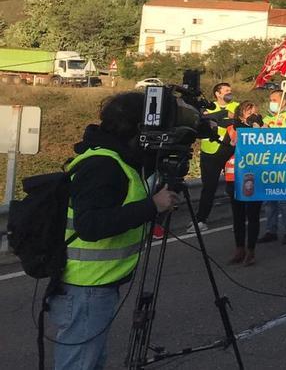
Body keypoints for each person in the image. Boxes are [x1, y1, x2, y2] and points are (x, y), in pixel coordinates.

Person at [50, 92, 178, 370]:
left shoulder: (115, 158)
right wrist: (152, 206)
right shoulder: (104, 164)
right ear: (138, 128)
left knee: (91, 361)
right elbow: (91, 225)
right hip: (85, 287)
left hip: (95, 285)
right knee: (80, 364)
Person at [223, 102, 264, 266]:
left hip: (254, 176)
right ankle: (239, 249)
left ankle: (251, 251)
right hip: (234, 178)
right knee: (238, 216)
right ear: (241, 114)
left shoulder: (262, 128)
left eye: (255, 111)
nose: (253, 114)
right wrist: (232, 145)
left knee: (252, 215)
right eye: (249, 112)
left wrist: (258, 130)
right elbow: (223, 152)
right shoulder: (232, 129)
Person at [260, 89, 286, 245]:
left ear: (284, 101)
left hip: (284, 163)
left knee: (284, 199)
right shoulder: (267, 118)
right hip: (268, 162)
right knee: (269, 199)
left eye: (274, 99)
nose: (272, 102)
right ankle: (271, 230)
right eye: (270, 99)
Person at [194, 82, 237, 231]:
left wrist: (227, 119)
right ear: (218, 94)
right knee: (209, 188)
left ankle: (237, 219)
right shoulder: (209, 107)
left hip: (232, 152)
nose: (229, 93)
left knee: (234, 186)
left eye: (230, 90)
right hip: (211, 152)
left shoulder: (236, 106)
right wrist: (225, 118)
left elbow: (241, 120)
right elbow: (205, 120)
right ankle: (201, 220)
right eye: (226, 90)